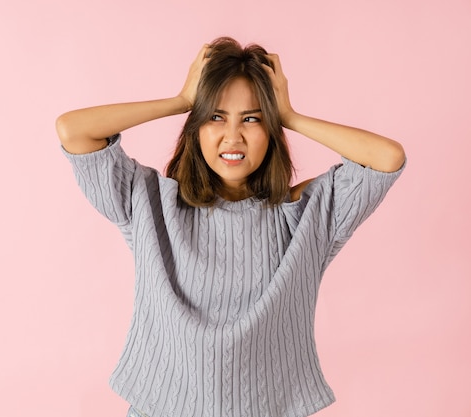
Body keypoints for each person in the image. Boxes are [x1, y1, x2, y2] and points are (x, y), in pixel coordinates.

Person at [56, 37, 405, 417]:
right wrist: (181, 101)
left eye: (252, 118)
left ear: (271, 131)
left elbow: (387, 158)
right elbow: (73, 130)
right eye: (215, 116)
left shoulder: (304, 215)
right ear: (196, 128)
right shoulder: (151, 202)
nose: (233, 136)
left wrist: (287, 114)